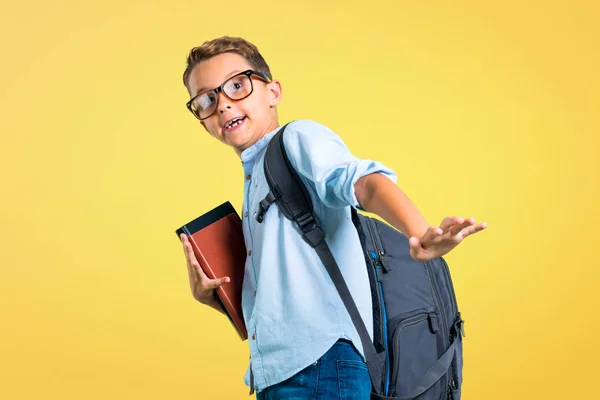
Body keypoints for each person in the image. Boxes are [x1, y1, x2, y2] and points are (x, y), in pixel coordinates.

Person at [178, 36, 487, 400]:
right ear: (203, 122)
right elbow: (282, 297)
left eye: (237, 85)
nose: (224, 105)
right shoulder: (255, 176)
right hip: (282, 373)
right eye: (207, 99)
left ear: (273, 91)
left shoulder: (297, 139)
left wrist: (419, 233)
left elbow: (363, 183)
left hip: (319, 366)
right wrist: (212, 298)